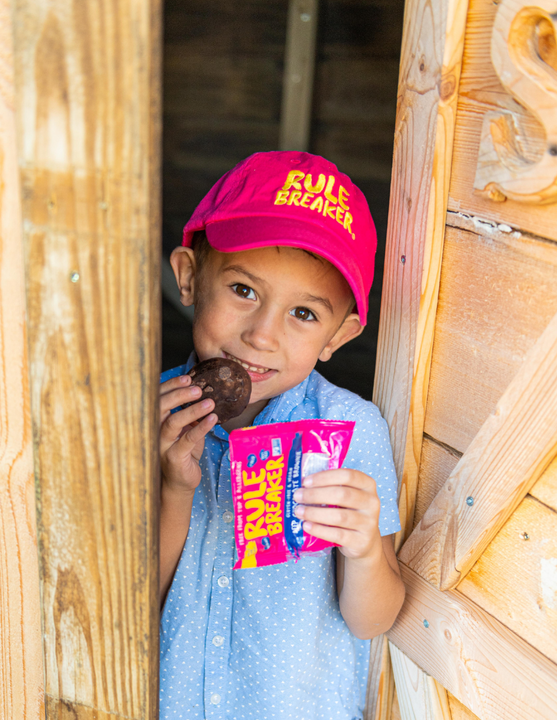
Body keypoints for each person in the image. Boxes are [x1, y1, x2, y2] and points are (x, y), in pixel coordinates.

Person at [159, 151, 405, 720]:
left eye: (303, 314)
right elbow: (132, 600)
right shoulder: (146, 415)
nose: (262, 335)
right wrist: (173, 487)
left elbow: (373, 619)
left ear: (338, 337)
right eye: (244, 290)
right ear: (190, 277)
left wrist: (365, 548)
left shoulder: (348, 431)